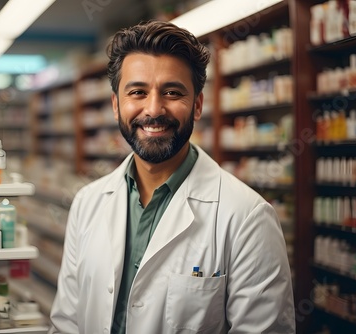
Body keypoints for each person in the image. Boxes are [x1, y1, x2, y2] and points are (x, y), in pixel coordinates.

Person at [49, 20, 295, 334]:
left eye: (172, 92)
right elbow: (67, 322)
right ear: (115, 105)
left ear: (197, 105)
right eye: (137, 92)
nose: (154, 109)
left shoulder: (248, 217)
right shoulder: (87, 203)